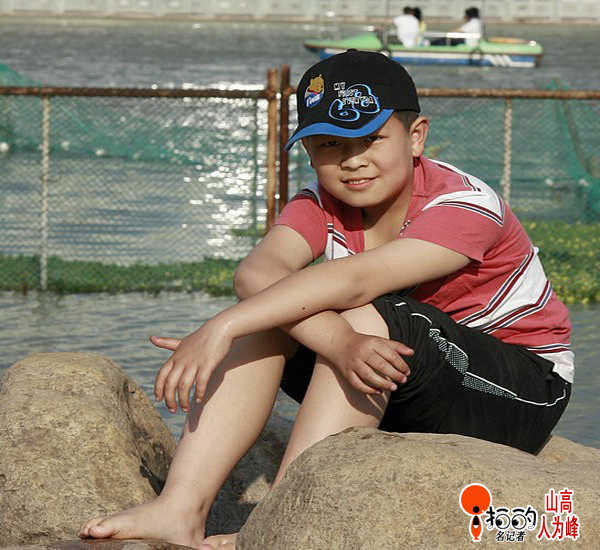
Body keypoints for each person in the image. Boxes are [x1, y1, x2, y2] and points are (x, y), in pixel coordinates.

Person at [79, 50, 574, 549]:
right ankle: (181, 508)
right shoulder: (319, 201)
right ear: (310, 151)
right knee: (270, 315)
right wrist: (319, 336)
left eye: (371, 138)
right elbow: (258, 273)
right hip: (394, 377)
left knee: (355, 313)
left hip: (518, 391)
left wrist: (222, 326)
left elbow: (360, 280)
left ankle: (280, 520)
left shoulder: (465, 203)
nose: (352, 160)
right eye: (330, 144)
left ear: (416, 135)